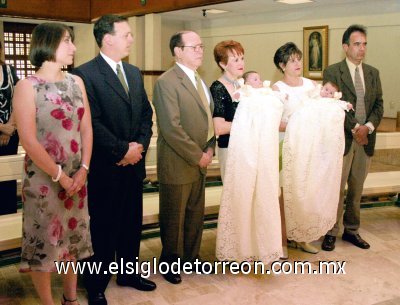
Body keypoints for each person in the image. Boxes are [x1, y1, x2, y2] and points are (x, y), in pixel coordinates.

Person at [74, 14, 155, 305]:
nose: (131, 39)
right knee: (103, 227)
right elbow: (91, 124)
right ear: (107, 39)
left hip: (133, 166)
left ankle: (128, 273)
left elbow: (147, 114)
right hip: (105, 167)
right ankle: (95, 284)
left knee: (131, 223)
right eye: (126, 34)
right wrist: (122, 150)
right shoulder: (86, 74)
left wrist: (139, 148)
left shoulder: (133, 72)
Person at [13, 22, 93, 305]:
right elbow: (28, 140)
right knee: (44, 245)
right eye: (67, 41)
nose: (73, 47)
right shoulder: (26, 87)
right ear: (47, 44)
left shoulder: (77, 82)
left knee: (72, 242)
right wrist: (60, 175)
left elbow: (86, 129)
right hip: (45, 181)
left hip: (76, 179)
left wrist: (83, 169)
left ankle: (70, 298)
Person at [152, 30, 215, 284]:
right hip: (178, 161)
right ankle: (171, 261)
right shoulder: (167, 82)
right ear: (178, 51)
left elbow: (207, 120)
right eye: (194, 47)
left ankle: (191, 258)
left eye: (201, 46)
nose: (200, 50)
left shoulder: (200, 81)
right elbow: (171, 128)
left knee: (194, 215)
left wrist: (209, 148)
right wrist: (197, 154)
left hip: (200, 160)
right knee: (174, 217)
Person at [322, 24, 384, 251]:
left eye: (365, 44)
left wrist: (367, 127)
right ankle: (330, 231)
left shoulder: (373, 73)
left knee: (356, 189)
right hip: (343, 139)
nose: (362, 49)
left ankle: (352, 230)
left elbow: (379, 104)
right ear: (345, 47)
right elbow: (332, 103)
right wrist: (356, 127)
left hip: (365, 140)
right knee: (336, 189)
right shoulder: (332, 71)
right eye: (357, 44)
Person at [216, 78, 284, 264]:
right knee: (241, 198)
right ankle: (239, 248)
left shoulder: (266, 97)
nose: (258, 82)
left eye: (259, 79)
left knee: (260, 201)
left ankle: (260, 247)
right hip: (241, 152)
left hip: (262, 152)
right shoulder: (240, 93)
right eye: (254, 79)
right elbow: (223, 124)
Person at [273, 42, 327, 255]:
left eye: (298, 59)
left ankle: (302, 237)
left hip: (309, 147)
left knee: (305, 194)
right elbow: (275, 121)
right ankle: (283, 241)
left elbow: (322, 113)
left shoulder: (312, 86)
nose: (297, 64)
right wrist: (298, 125)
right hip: (286, 145)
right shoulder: (277, 89)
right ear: (282, 64)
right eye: (292, 60)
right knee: (285, 195)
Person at [210, 40, 244, 181]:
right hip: (230, 148)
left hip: (247, 145)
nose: (241, 63)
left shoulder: (244, 85)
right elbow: (219, 128)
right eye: (235, 60)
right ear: (223, 64)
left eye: (242, 58)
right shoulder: (217, 88)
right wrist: (249, 124)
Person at [0, 41, 19, 215]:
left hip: (12, 133)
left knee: (8, 180)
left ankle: (9, 216)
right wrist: (1, 128)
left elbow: (18, 99)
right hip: (3, 129)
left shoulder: (10, 71)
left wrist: (10, 126)